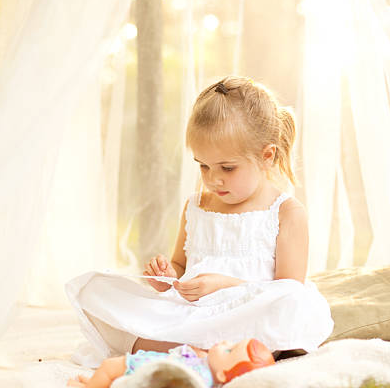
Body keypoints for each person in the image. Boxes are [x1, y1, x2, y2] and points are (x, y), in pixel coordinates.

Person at [66, 76, 334, 365]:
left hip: (245, 317)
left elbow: (287, 289)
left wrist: (225, 285)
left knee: (293, 303)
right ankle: (201, 354)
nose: (213, 178)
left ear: (266, 156)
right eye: (203, 166)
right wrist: (167, 276)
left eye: (227, 168)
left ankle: (176, 351)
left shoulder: (286, 212)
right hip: (192, 314)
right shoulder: (195, 206)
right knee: (95, 290)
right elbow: (181, 267)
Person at [66, 338, 275, 388]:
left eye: (228, 350)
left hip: (141, 366)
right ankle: (96, 382)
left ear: (222, 375)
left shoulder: (198, 379)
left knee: (109, 367)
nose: (223, 343)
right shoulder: (205, 366)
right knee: (115, 378)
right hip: (145, 368)